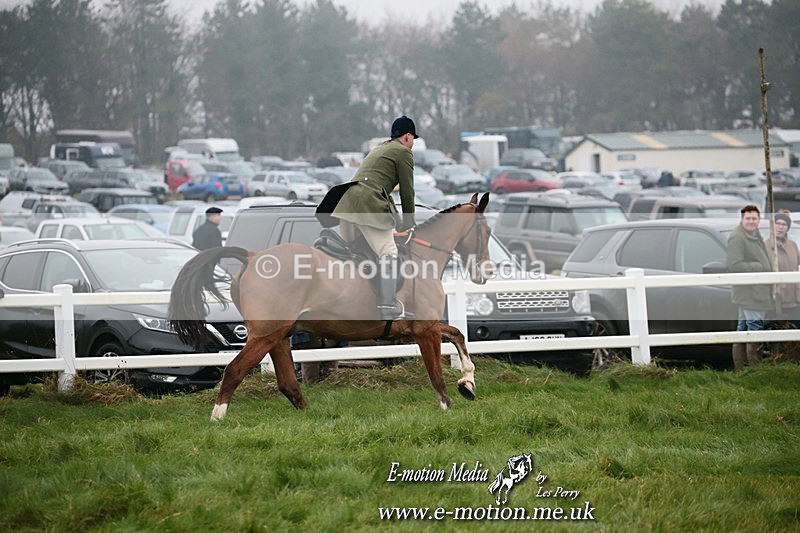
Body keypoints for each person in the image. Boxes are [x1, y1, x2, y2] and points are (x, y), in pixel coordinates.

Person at [317, 115, 418, 320]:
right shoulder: (403, 153)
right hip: (367, 205)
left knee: (350, 250)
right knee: (388, 252)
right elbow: (407, 192)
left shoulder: (380, 148)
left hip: (347, 203)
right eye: (413, 138)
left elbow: (383, 193)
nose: (413, 142)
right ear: (407, 136)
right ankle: (388, 305)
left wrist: (396, 222)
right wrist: (409, 224)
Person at [726, 204, 772, 370]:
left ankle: (742, 370)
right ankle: (756, 369)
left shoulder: (754, 234)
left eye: (754, 218)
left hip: (756, 290)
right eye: (748, 218)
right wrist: (760, 267)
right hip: (750, 292)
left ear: (759, 220)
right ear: (742, 219)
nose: (751, 221)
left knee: (744, 328)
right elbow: (734, 264)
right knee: (754, 328)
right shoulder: (738, 237)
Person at [765, 210, 800, 323]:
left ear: (788, 228)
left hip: (795, 298)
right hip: (778, 299)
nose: (780, 227)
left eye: (784, 224)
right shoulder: (766, 246)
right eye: (777, 223)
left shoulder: (793, 245)